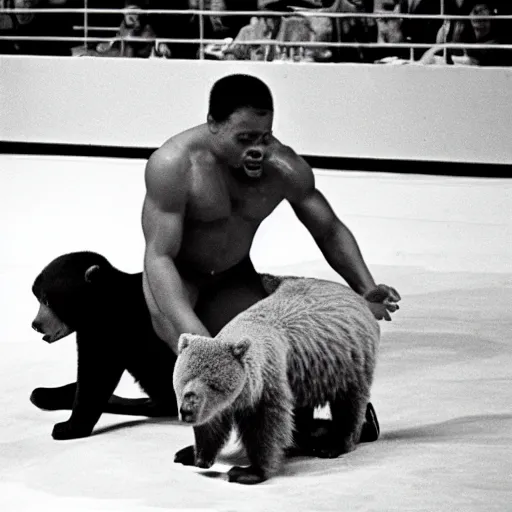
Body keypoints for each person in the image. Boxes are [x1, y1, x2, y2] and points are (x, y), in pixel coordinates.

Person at [142, 74, 401, 442]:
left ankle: (329, 419)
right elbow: (159, 257)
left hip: (234, 273)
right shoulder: (173, 165)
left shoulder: (284, 167)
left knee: (269, 352)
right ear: (213, 124)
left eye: (264, 137)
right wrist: (198, 340)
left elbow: (327, 229)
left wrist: (366, 287)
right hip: (179, 275)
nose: (257, 149)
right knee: (195, 360)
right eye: (244, 139)